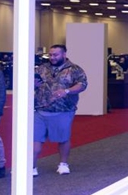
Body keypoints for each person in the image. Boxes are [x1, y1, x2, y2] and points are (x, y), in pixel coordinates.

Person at [33, 44, 88, 176]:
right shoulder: (42, 68)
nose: (52, 57)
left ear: (64, 54)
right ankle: (32, 166)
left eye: (55, 55)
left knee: (63, 138)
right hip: (40, 109)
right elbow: (33, 82)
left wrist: (67, 91)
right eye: (50, 55)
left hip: (63, 109)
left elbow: (83, 84)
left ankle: (63, 164)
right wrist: (32, 84)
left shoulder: (74, 69)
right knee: (35, 139)